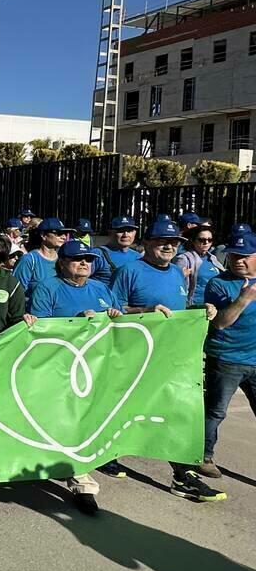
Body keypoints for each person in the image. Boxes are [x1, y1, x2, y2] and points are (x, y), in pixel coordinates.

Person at [109, 216, 221, 497]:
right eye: (162, 241)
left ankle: (182, 475)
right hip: (135, 355)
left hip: (170, 357)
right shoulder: (129, 270)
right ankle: (105, 453)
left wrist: (202, 310)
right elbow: (112, 311)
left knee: (177, 413)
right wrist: (145, 311)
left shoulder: (175, 272)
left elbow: (179, 312)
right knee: (123, 408)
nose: (169, 246)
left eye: (174, 242)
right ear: (146, 243)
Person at [25, 239, 125, 514]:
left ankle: (79, 476)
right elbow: (39, 329)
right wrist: (78, 321)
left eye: (88, 260)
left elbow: (121, 322)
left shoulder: (101, 289)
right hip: (60, 368)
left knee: (85, 425)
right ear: (62, 262)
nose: (84, 264)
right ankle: (69, 475)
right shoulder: (48, 288)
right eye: (77, 259)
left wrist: (119, 315)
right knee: (63, 422)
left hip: (96, 369)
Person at [200, 230, 256, 484]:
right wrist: (243, 299)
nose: (238, 260)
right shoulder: (219, 283)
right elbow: (221, 323)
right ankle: (204, 456)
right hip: (226, 359)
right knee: (215, 411)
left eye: (244, 256)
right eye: (234, 256)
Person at [13, 218, 74, 305]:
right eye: (58, 233)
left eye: (65, 233)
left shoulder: (64, 260)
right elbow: (16, 292)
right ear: (43, 235)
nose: (63, 237)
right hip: (34, 314)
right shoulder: (29, 260)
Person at [176, 226, 223, 307]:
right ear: (193, 241)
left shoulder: (213, 258)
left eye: (210, 240)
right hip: (195, 306)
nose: (206, 242)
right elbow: (176, 283)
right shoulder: (184, 259)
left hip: (215, 305)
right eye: (202, 240)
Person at [91, 216, 141, 284]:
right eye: (120, 230)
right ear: (110, 232)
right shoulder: (97, 254)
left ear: (135, 233)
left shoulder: (138, 257)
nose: (125, 235)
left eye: (129, 231)